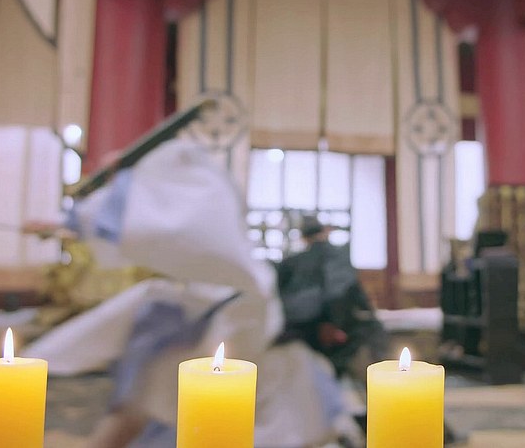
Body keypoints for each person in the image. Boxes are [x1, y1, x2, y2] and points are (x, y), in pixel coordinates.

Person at [22, 140, 347, 448]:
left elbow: (158, 225)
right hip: (206, 315)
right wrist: (68, 222)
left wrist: (72, 221)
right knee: (163, 391)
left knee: (192, 395)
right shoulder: (176, 189)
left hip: (232, 320)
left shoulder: (179, 176)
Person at [275, 216, 389, 379]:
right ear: (325, 232)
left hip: (304, 330)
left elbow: (280, 301)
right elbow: (356, 297)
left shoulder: (291, 262)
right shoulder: (341, 258)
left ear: (303, 237)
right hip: (343, 325)